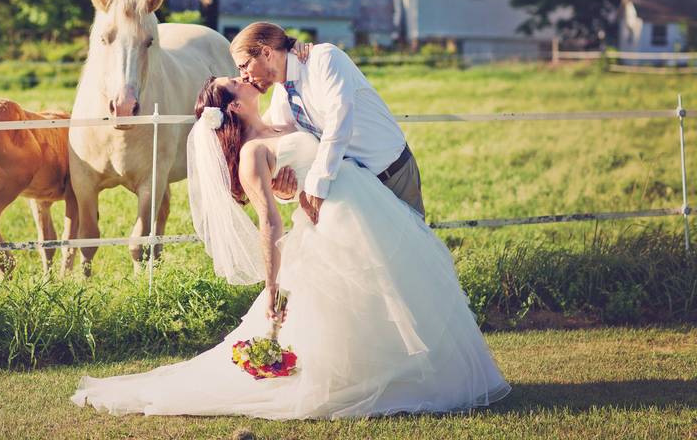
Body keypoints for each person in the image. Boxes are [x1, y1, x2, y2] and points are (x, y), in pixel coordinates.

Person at [71, 76, 510, 419]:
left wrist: (291, 188)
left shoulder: (285, 121)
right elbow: (268, 222)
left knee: (393, 294)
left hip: (364, 210)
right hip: (336, 224)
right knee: (356, 304)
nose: (245, 79)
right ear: (236, 107)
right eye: (236, 82)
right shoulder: (252, 153)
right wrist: (274, 284)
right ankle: (369, 383)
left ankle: (403, 375)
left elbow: (308, 168)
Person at [230, 23, 424, 222]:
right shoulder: (282, 94)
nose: (243, 75)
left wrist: (316, 186)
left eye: (244, 65)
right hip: (352, 188)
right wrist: (283, 191)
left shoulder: (324, 58)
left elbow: (339, 123)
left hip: (391, 172)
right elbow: (280, 144)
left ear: (266, 52)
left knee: (415, 246)